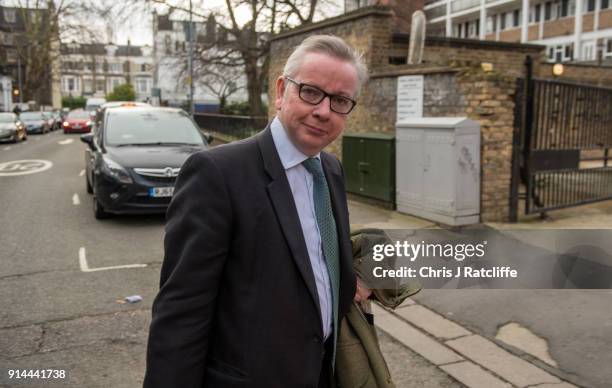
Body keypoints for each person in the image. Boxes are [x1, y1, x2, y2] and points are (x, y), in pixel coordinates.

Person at [143, 34, 369, 388]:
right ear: (282, 91)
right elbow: (181, 314)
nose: (323, 110)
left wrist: (351, 281)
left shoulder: (332, 171)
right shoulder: (216, 174)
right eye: (310, 91)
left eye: (340, 100)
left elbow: (313, 261)